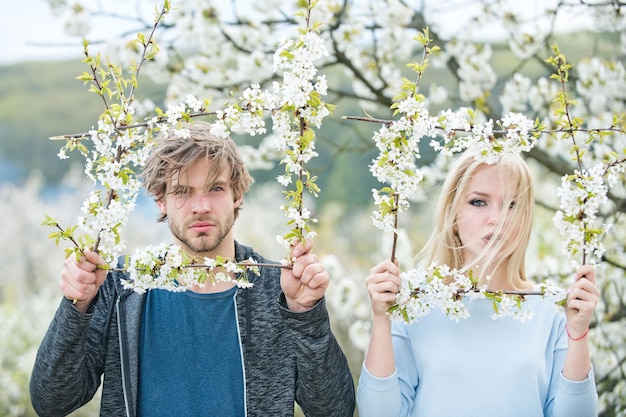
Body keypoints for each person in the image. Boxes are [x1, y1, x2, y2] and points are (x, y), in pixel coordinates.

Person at [30, 121, 355, 417]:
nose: (201, 206)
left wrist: (305, 314)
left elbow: (334, 410)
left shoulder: (275, 287)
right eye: (183, 191)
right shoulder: (123, 286)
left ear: (237, 194)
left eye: (215, 188)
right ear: (160, 199)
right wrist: (77, 306)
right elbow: (51, 401)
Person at [357, 151, 599, 417]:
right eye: (479, 202)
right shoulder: (413, 300)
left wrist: (578, 331)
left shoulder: (549, 308)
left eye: (512, 205)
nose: (497, 218)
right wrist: (382, 318)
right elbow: (379, 413)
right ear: (453, 212)